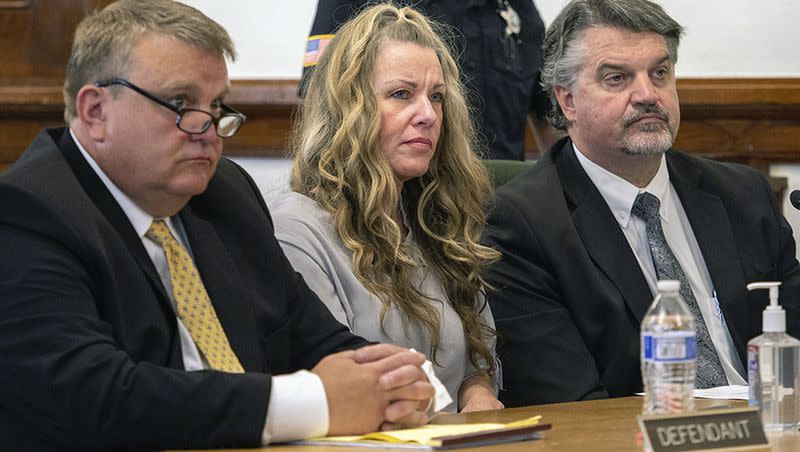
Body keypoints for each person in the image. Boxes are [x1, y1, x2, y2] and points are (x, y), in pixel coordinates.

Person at [0, 1, 436, 450]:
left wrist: (396, 384)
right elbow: (98, 397)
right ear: (95, 111)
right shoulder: (26, 213)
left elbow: (316, 339)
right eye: (181, 103)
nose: (208, 130)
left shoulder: (224, 194)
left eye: (216, 105)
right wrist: (310, 403)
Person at [482, 0, 800, 407]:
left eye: (660, 73)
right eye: (617, 78)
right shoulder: (520, 225)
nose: (648, 95)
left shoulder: (743, 196)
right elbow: (571, 404)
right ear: (567, 101)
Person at [271, 3, 503, 413]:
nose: (428, 115)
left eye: (437, 97)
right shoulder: (295, 229)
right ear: (348, 109)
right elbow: (339, 380)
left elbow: (479, 358)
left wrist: (478, 392)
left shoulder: (436, 217)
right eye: (401, 94)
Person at [300, 0, 559, 160]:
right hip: (401, 207)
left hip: (504, 210)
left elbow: (550, 116)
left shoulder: (516, 8)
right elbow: (321, 104)